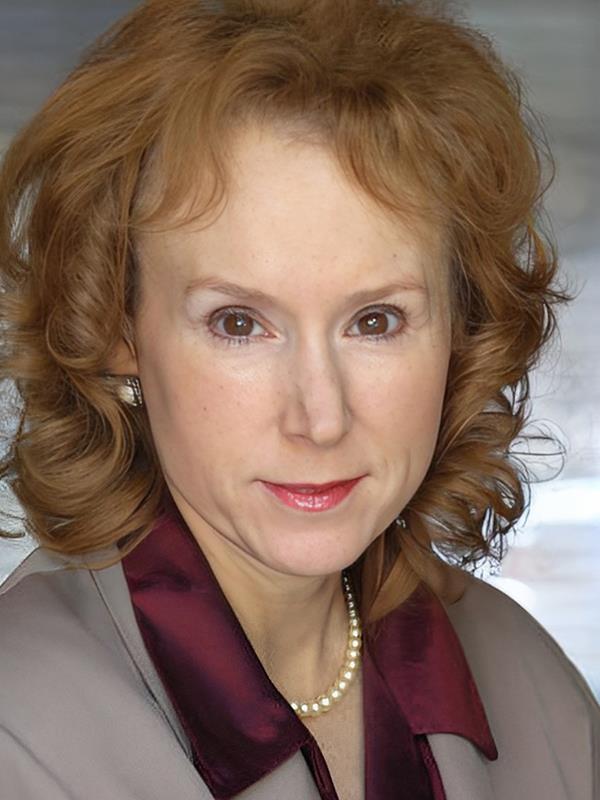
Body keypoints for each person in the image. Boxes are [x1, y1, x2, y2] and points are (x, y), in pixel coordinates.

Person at [0, 0, 598, 798]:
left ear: (460, 332)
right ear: (117, 331)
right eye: (239, 323)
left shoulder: (535, 687)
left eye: (376, 321)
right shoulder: (18, 730)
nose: (320, 418)